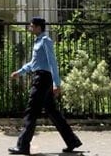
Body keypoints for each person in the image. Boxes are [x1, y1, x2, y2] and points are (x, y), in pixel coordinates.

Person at [8, 17, 82, 155]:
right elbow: (33, 63)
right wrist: (20, 72)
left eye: (31, 26)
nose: (29, 28)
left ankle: (23, 146)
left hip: (42, 79)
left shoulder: (45, 41)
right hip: (41, 77)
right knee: (53, 112)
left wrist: (57, 83)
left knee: (31, 111)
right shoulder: (37, 42)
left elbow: (52, 62)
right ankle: (72, 141)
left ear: (38, 27)